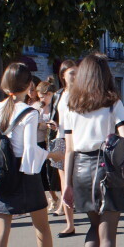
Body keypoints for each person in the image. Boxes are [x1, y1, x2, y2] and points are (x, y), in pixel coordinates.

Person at [0, 62, 70, 247]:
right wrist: (54, 155)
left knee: (0, 232)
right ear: (29, 85)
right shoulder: (29, 112)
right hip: (24, 174)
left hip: (0, 173)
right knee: (41, 224)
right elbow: (30, 151)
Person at [61, 53, 124, 247]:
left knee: (94, 226)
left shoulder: (72, 104)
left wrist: (67, 184)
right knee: (108, 233)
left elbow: (69, 148)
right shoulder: (113, 103)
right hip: (106, 170)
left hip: (80, 170)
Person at [50, 60, 78, 237]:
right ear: (63, 76)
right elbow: (56, 116)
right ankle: (70, 223)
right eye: (71, 73)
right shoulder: (58, 94)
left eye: (77, 73)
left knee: (82, 179)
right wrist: (53, 123)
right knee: (64, 181)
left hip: (79, 139)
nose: (75, 76)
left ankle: (96, 218)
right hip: (62, 138)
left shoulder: (84, 93)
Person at [33, 77, 61, 213]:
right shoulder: (37, 107)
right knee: (43, 173)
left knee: (54, 172)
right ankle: (53, 198)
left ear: (50, 94)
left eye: (42, 97)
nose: (41, 100)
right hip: (40, 141)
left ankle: (59, 199)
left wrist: (53, 125)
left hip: (54, 141)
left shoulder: (56, 107)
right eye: (39, 97)